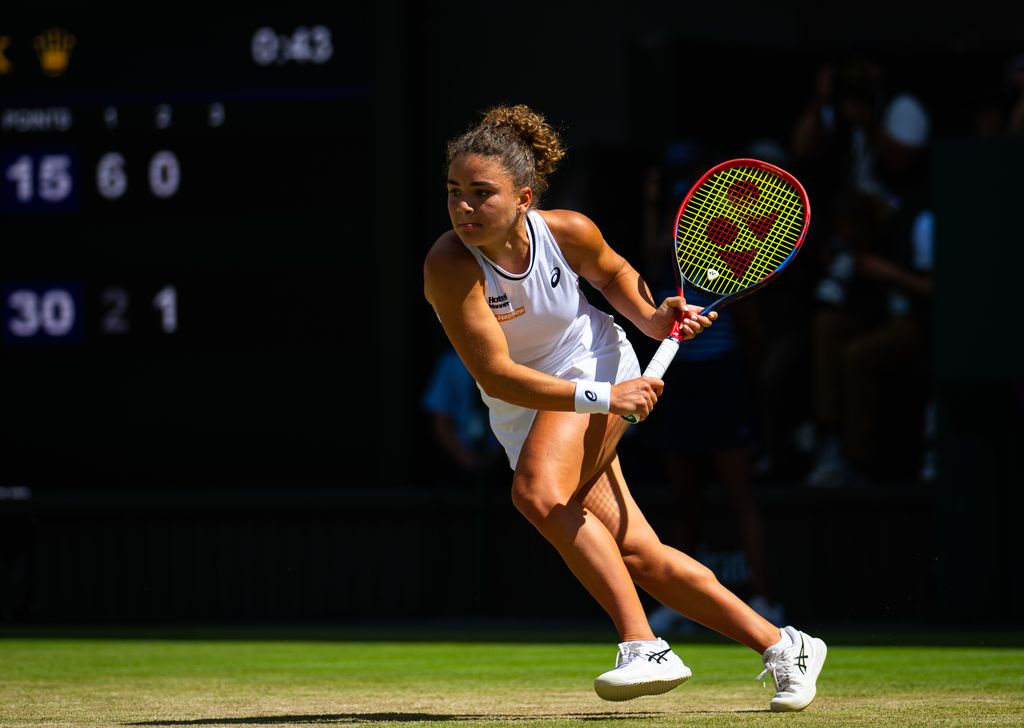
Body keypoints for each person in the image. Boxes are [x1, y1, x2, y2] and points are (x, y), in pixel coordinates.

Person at [422, 103, 827, 710]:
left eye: (482, 193)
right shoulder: (449, 265)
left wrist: (652, 316)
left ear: (525, 197)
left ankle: (644, 646)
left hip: (594, 363)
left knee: (536, 494)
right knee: (639, 552)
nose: (464, 208)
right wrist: (605, 400)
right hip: (531, 402)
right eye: (455, 192)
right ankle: (784, 646)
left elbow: (613, 277)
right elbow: (498, 376)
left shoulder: (569, 232)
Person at [421, 345, 504, 486]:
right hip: (458, 459)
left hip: (503, 458)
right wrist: (462, 456)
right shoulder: (451, 363)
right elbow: (440, 418)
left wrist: (498, 453)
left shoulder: (507, 361)